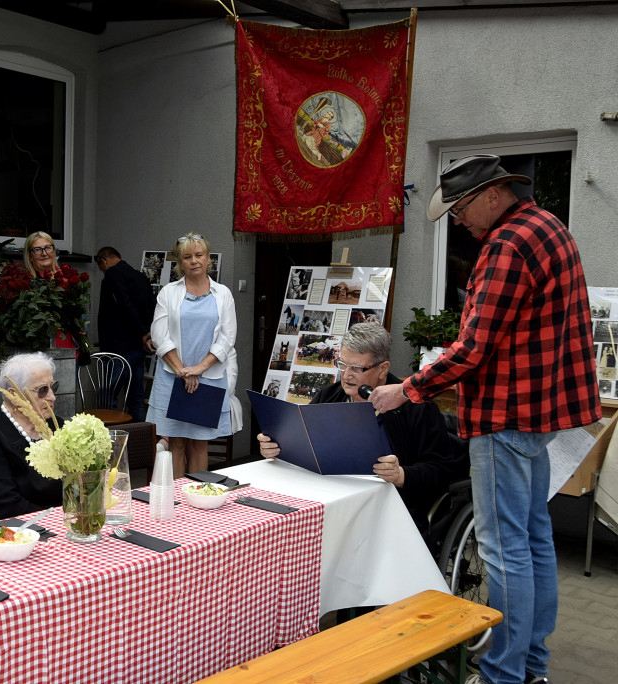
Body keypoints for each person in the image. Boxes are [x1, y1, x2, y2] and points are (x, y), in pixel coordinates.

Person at [369, 155, 601, 684]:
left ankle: (503, 673)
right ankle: (531, 666)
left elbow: (474, 347)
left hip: (505, 415)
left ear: (493, 195)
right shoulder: (548, 226)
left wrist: (406, 389)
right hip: (538, 414)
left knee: (505, 550)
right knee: (534, 541)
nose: (458, 221)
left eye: (461, 209)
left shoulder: (506, 244)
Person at [257, 322, 465, 539]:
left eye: (357, 368)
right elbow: (304, 441)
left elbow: (441, 471)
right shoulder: (329, 396)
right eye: (342, 365)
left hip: (388, 510)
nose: (346, 376)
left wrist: (401, 474)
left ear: (383, 369)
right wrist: (277, 446)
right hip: (332, 499)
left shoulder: (416, 407)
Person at [146, 233, 241, 477]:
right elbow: (159, 335)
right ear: (180, 262)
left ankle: (198, 494)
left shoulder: (223, 293)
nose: (194, 261)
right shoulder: (168, 292)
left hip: (209, 378)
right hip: (172, 376)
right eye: (187, 257)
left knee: (200, 443)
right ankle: (178, 497)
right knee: (176, 443)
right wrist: (183, 371)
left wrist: (199, 369)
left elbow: (227, 337)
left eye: (199, 255)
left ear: (208, 258)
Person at [0, 352, 63, 525]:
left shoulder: (55, 426)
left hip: (57, 523)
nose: (52, 397)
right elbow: (4, 506)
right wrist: (60, 519)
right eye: (42, 390)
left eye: (53, 387)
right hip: (8, 531)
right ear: (14, 396)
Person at [94, 246, 155, 421]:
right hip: (138, 346)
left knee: (107, 395)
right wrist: (146, 332)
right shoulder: (140, 276)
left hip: (118, 346)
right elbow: (151, 306)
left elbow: (125, 304)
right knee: (136, 397)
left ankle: (108, 436)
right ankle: (138, 436)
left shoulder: (112, 274)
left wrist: (142, 331)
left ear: (103, 261)